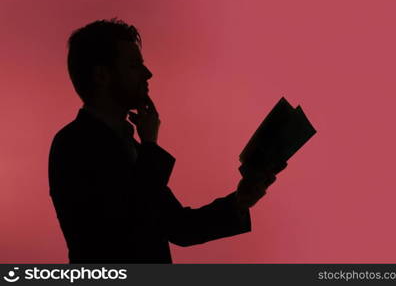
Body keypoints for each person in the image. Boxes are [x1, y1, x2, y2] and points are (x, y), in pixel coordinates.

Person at [48, 18, 286, 263]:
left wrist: (239, 201)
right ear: (101, 75)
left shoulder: (132, 148)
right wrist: (150, 146)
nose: (147, 74)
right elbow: (126, 225)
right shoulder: (72, 145)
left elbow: (180, 228)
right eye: (134, 65)